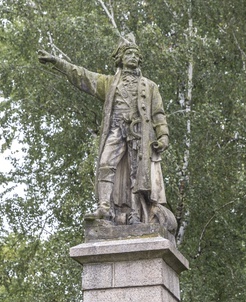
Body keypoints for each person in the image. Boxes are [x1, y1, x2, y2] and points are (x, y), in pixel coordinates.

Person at [39, 35, 174, 229]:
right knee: (105, 163)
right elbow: (82, 76)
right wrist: (57, 62)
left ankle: (136, 214)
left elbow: (158, 114)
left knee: (136, 173)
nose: (133, 57)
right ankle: (104, 207)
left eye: (136, 55)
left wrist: (163, 136)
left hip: (139, 134)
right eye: (129, 53)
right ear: (120, 57)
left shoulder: (150, 86)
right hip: (116, 129)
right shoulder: (110, 83)